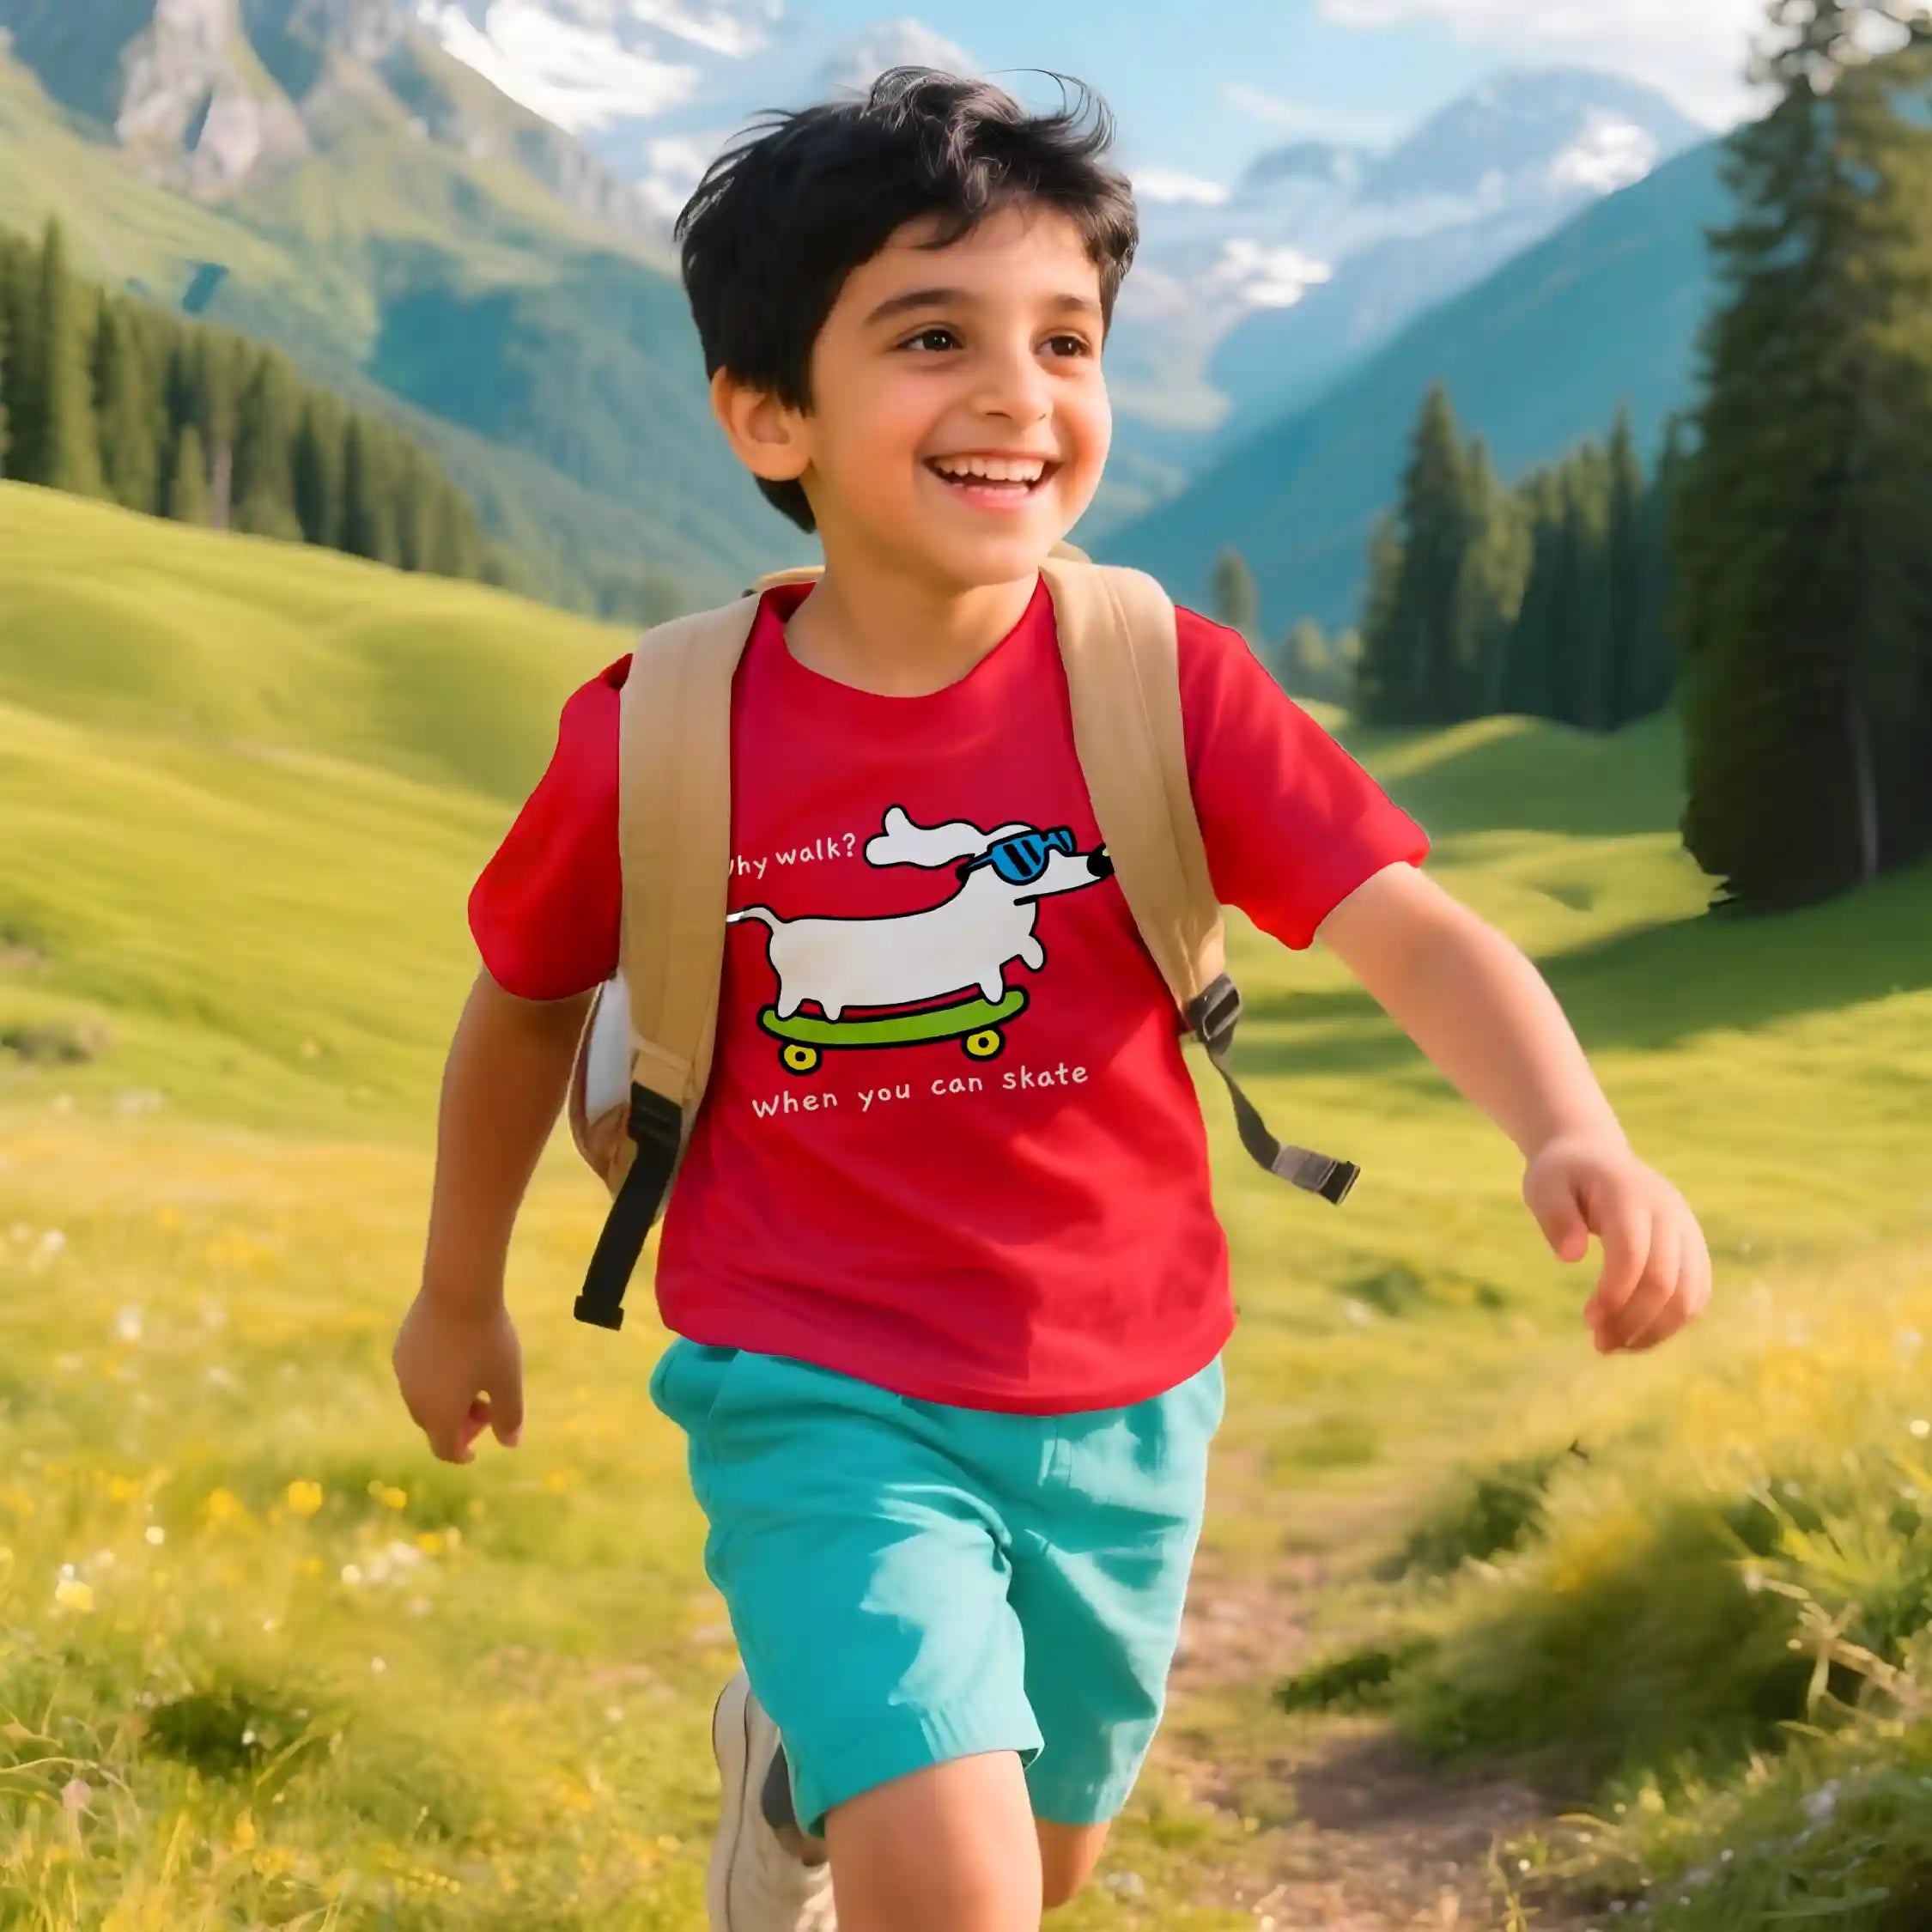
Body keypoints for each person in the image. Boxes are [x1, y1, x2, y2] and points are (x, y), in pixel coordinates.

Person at [391, 67, 1712, 1932]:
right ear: (771, 414)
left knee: (1052, 1850)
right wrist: (460, 1292)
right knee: (958, 1886)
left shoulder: (1158, 683)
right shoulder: (658, 731)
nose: (1020, 393)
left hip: (1127, 1388)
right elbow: (525, 1002)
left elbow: (1409, 926)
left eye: (1067, 340)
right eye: (934, 337)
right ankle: (862, 1769)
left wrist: (1576, 1128)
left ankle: (794, 1762)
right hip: (815, 1380)